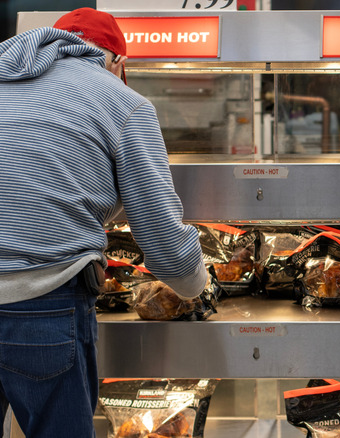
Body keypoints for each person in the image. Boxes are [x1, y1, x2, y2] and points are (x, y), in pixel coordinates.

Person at [0, 7, 208, 437]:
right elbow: (164, 240)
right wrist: (195, 287)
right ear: (117, 62)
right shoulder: (122, 101)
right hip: (41, 299)